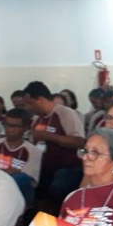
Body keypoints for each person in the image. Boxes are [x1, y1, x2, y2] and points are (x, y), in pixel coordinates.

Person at [24, 81, 86, 211]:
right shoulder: (37, 119)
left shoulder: (66, 113)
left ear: (41, 99)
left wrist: (49, 136)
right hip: (43, 167)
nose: (29, 107)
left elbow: (79, 142)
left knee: (57, 187)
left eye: (31, 103)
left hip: (67, 168)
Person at [0, 108, 42, 207]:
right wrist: (12, 171)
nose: (9, 129)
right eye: (7, 125)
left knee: (20, 178)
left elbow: (29, 179)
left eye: (15, 126)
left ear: (25, 128)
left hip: (19, 193)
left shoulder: (34, 151)